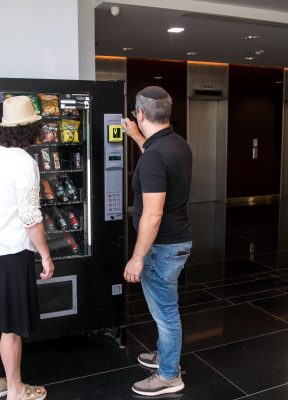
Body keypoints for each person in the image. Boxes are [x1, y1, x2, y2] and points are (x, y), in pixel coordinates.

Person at [0, 96, 54, 400]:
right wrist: (46, 255)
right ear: (32, 129)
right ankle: (16, 390)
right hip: (9, 253)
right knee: (11, 326)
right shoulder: (26, 164)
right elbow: (31, 218)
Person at [122, 86, 192, 396]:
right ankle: (165, 355)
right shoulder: (177, 145)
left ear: (139, 114)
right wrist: (137, 137)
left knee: (165, 312)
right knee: (165, 307)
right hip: (176, 243)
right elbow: (153, 157)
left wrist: (137, 258)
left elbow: (152, 215)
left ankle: (168, 375)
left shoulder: (154, 158)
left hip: (161, 248)